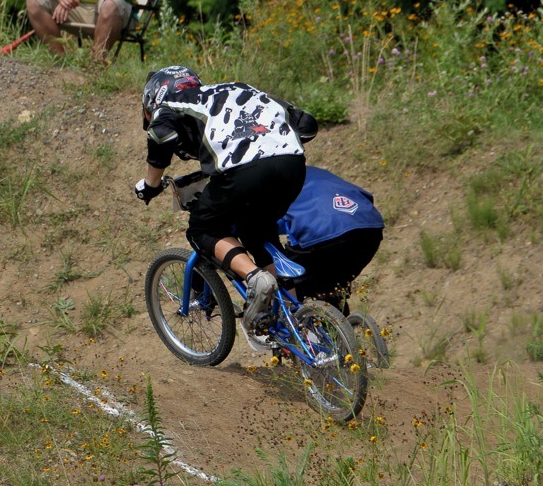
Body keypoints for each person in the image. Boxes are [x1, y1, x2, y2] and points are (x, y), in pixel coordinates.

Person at [134, 66, 319, 333]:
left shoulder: (173, 102)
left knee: (202, 229)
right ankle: (294, 320)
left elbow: (161, 135)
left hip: (243, 170)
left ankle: (256, 279)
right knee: (256, 231)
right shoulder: (239, 88)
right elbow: (307, 125)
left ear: (154, 97)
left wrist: (150, 186)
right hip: (292, 166)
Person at [275, 165, 385, 312]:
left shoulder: (268, 182)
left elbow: (264, 226)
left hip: (321, 234)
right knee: (331, 286)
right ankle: (342, 325)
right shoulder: (312, 171)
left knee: (280, 287)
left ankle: (299, 327)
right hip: (369, 228)